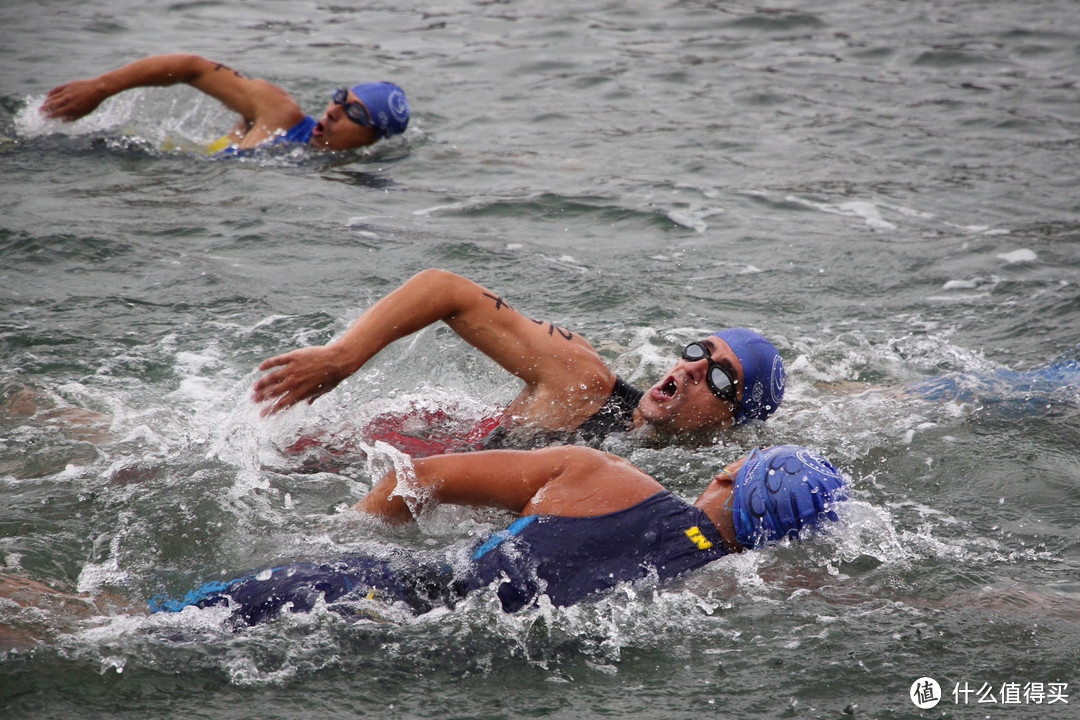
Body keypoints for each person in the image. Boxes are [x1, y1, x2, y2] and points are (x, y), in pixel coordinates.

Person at [149, 443, 848, 623]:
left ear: (727, 476)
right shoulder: (723, 587)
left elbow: (416, 477)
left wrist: (330, 541)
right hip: (420, 657)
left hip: (356, 590)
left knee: (112, 623)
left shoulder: (605, 476)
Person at [252, 268, 786, 453]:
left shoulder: (706, 472)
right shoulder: (582, 383)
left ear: (731, 421)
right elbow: (444, 289)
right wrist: (340, 358)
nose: (693, 367)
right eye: (698, 350)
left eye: (719, 376)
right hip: (379, 452)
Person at [38, 53, 409, 152]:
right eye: (340, 97)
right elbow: (192, 67)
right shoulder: (278, 113)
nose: (334, 110)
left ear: (373, 138)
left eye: (353, 112)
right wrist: (100, 88)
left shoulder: (354, 180)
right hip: (140, 153)